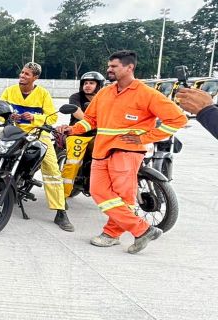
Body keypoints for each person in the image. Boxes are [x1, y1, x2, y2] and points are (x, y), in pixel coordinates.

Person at [58, 50, 187, 254]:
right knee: (100, 192)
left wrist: (145, 138)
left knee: (123, 195)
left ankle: (111, 234)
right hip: (101, 150)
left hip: (127, 151)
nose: (109, 70)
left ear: (129, 67)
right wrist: (72, 129)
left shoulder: (147, 94)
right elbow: (90, 120)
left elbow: (178, 119)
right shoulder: (105, 93)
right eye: (109, 66)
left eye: (114, 66)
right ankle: (142, 230)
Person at [0, 62, 73, 232]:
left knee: (52, 169)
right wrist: (8, 117)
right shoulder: (9, 91)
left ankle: (60, 210)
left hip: (38, 133)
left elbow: (52, 118)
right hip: (13, 131)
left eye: (27, 74)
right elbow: (0, 110)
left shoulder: (43, 94)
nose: (22, 76)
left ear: (35, 77)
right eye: (22, 72)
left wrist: (34, 118)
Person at [61, 71, 106, 198]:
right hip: (78, 134)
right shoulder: (76, 97)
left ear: (99, 85)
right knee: (73, 162)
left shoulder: (104, 98)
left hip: (99, 134)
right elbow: (78, 113)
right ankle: (61, 197)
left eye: (91, 83)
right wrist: (97, 123)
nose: (87, 85)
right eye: (85, 83)